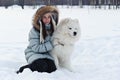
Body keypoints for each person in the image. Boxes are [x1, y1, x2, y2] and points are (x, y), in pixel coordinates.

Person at [24, 6, 59, 73]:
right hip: (34, 53)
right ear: (39, 18)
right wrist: (51, 44)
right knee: (42, 66)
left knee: (52, 68)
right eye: (44, 17)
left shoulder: (53, 29)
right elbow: (35, 48)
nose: (47, 19)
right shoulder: (34, 30)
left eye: (49, 17)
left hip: (47, 54)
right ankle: (25, 69)